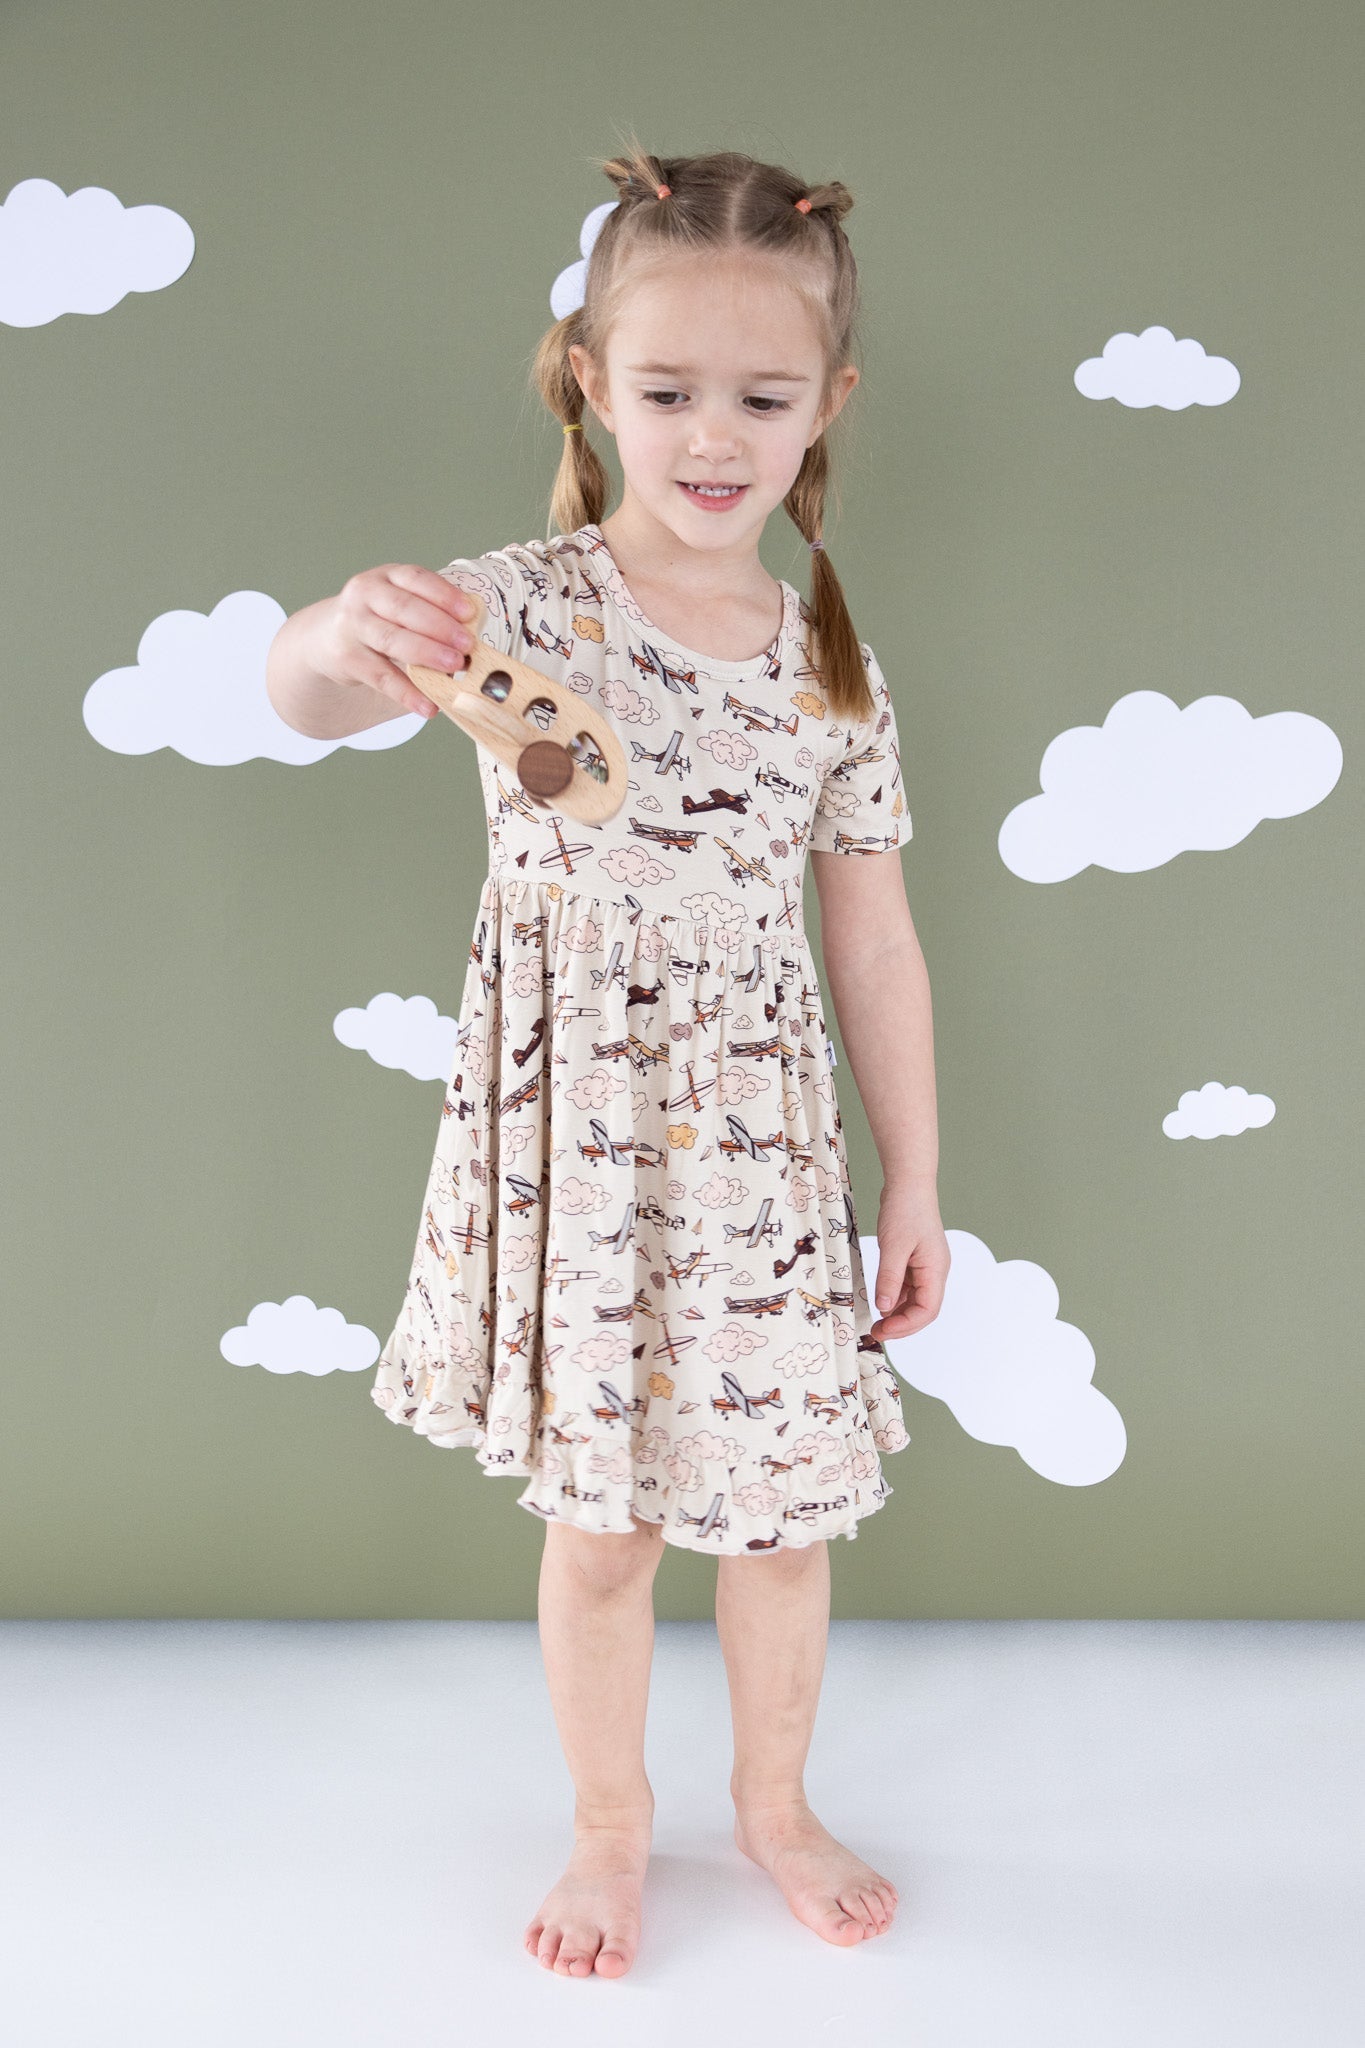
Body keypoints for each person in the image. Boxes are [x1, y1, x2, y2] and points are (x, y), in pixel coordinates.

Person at [265, 137, 948, 1982]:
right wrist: (338, 629)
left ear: (827, 405)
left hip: (763, 1159)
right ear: (589, 383)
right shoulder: (515, 607)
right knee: (607, 1528)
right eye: (667, 392)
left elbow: (874, 939)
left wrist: (916, 1180)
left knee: (782, 1527)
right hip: (582, 1150)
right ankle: (609, 1826)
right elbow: (306, 697)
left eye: (762, 398)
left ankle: (775, 1806)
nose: (713, 436)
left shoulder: (832, 669)